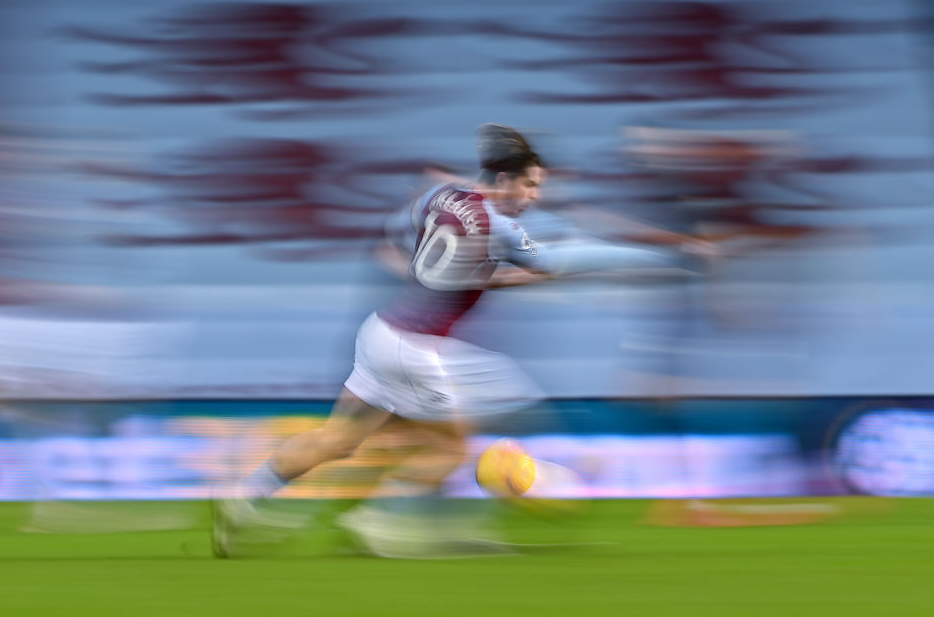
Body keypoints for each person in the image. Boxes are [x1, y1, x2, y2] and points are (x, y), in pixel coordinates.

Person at [212, 124, 708, 558]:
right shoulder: (502, 228)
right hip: (414, 348)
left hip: (379, 332)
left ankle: (246, 495)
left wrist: (458, 272)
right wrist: (656, 260)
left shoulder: (442, 194)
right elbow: (559, 263)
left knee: (338, 439)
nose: (534, 196)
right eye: (530, 185)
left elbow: (410, 235)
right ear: (505, 179)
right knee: (451, 448)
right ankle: (376, 523)